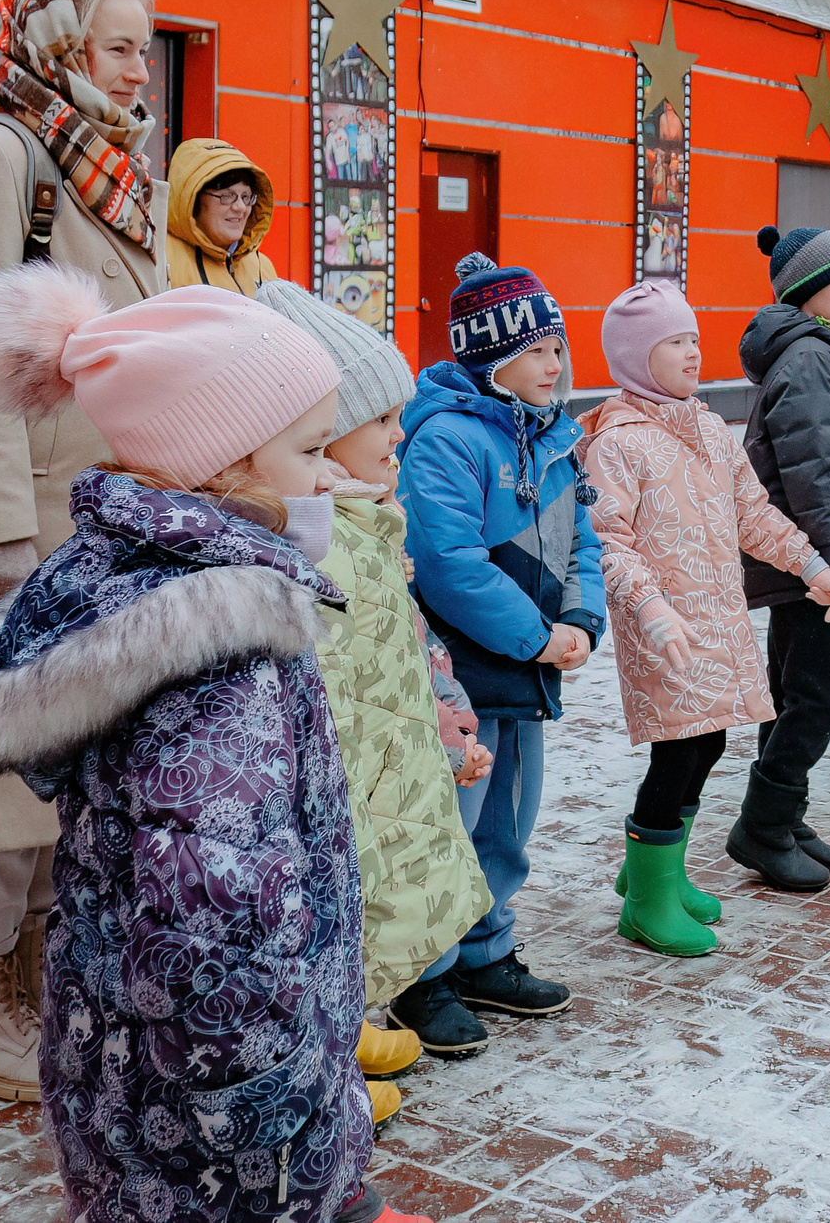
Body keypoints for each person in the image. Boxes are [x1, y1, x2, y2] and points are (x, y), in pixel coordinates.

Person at [0, 265, 424, 1223]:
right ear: (222, 464)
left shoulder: (136, 584)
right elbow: (214, 910)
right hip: (221, 1121)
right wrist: (269, 1102)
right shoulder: (216, 639)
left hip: (134, 1081)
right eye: (310, 446)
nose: (329, 473)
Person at [0, 0, 165, 1107]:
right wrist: (6, 541)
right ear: (57, 49)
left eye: (143, 44)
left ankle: (34, 987)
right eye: (115, 45)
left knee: (69, 771)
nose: (139, 67)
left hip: (99, 532)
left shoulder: (116, 173)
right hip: (17, 532)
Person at [253, 278, 493, 1105]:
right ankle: (325, 1057)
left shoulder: (368, 516)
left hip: (390, 749)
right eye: (381, 421)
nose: (399, 436)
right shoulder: (320, 536)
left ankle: (349, 1022)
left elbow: (413, 642)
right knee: (338, 897)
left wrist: (450, 723)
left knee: (378, 894)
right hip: (348, 761)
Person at [582, 281, 830, 938]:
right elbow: (607, 542)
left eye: (695, 338)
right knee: (679, 752)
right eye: (674, 342)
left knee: (709, 744)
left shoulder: (709, 426)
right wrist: (651, 609)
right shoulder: (619, 441)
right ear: (636, 357)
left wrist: (812, 565)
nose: (693, 352)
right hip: (665, 630)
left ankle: (661, 871)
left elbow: (753, 516)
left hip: (717, 622)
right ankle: (646, 900)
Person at [392, 251, 604, 1045]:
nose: (557, 364)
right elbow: (449, 563)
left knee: (509, 819)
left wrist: (581, 621)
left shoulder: (553, 437)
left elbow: (585, 535)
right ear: (491, 355)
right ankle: (427, 973)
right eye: (538, 350)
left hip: (534, 665)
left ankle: (487, 949)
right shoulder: (448, 437)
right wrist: (536, 634)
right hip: (470, 668)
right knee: (452, 814)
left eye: (558, 348)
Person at [739, 227, 830, 889]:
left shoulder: (814, 352)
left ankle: (785, 818)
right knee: (824, 695)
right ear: (805, 288)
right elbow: (813, 475)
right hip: (803, 564)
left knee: (795, 691)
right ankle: (763, 826)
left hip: (802, 562)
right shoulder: (809, 360)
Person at [165, 138, 279, 294]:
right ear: (192, 199)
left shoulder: (261, 266)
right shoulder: (162, 259)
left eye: (246, 197)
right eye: (226, 196)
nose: (240, 207)